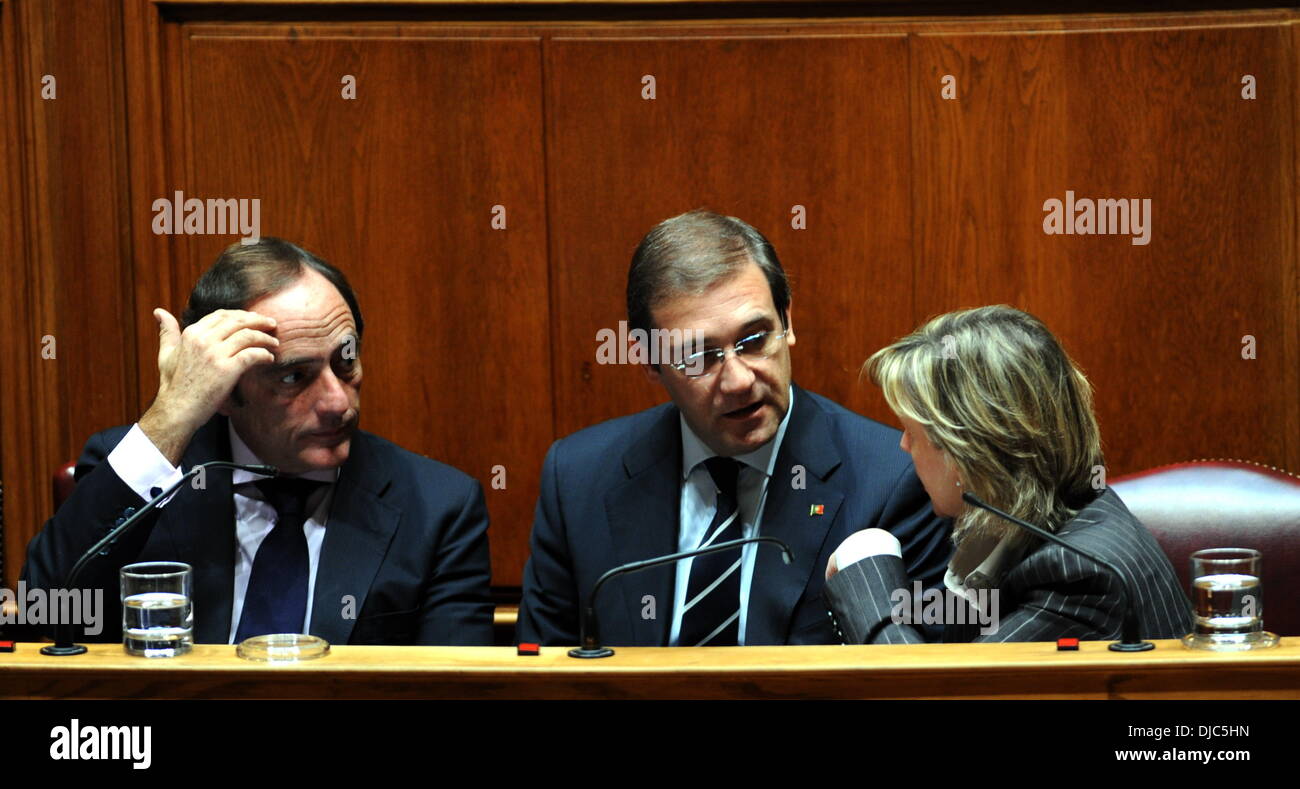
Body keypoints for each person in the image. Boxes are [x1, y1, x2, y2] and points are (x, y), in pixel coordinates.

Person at [23, 238, 493, 645]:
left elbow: (458, 686)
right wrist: (172, 415)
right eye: (294, 375)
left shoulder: (437, 508)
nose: (336, 401)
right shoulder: (144, 470)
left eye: (345, 362)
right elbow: (43, 610)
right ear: (225, 391)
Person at [517, 211, 951, 647]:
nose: (740, 380)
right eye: (699, 355)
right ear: (648, 361)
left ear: (788, 321)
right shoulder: (577, 479)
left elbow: (912, 676)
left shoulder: (892, 483)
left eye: (755, 339)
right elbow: (542, 676)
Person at [823, 305, 1192, 643]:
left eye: (912, 432)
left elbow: (932, 696)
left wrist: (867, 581)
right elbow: (950, 644)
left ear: (970, 452)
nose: (903, 446)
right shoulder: (1021, 521)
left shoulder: (1080, 576)